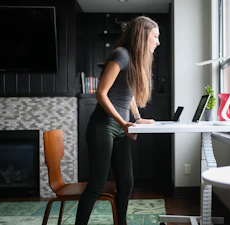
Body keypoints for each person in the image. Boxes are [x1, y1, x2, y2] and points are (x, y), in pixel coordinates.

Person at [75, 16, 160, 225]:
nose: (158, 42)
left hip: (120, 128)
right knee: (97, 184)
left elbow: (128, 94)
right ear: (143, 36)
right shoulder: (121, 55)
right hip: (103, 126)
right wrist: (123, 123)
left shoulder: (136, 60)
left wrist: (137, 118)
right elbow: (101, 93)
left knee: (126, 183)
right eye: (155, 37)